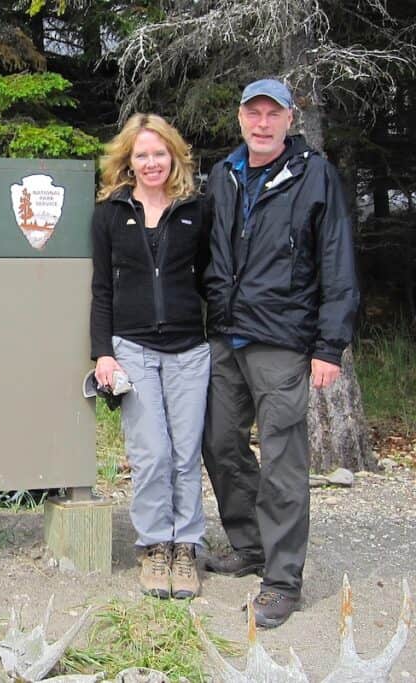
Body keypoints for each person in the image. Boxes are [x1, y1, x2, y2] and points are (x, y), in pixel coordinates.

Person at [201, 79, 360, 628]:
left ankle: (283, 578)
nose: (262, 123)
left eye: (273, 113)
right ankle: (250, 547)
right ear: (240, 118)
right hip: (225, 336)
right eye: (253, 113)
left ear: (290, 119)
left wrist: (329, 345)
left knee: (284, 463)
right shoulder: (223, 175)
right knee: (219, 442)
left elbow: (337, 262)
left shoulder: (316, 176)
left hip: (284, 341)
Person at [90, 114, 211, 599]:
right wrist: (102, 353)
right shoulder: (109, 214)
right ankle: (154, 546)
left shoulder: (196, 210)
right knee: (151, 454)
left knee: (185, 454)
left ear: (173, 156)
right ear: (128, 161)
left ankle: (187, 548)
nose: (151, 162)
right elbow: (101, 289)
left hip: (189, 350)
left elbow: (211, 279)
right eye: (142, 154)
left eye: (159, 153)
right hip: (133, 348)